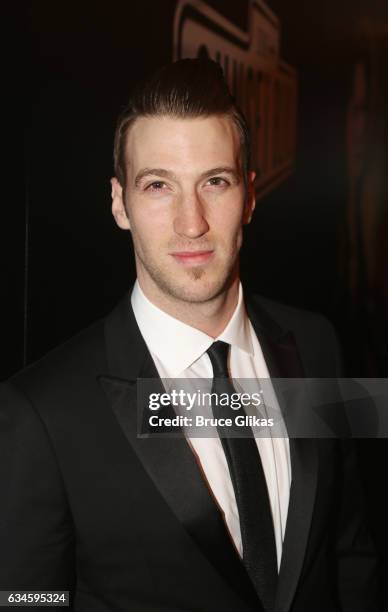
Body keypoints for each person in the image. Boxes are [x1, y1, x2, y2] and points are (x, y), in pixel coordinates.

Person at [0, 59, 379, 612]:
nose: (191, 222)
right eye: (158, 186)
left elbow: (352, 552)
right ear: (118, 203)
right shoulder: (37, 412)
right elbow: (25, 599)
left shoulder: (320, 343)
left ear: (249, 195)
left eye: (215, 182)